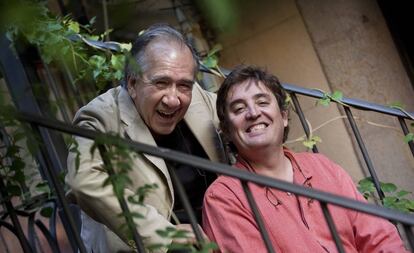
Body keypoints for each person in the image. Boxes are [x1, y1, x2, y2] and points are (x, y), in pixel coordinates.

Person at [202, 65, 409, 253]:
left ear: (283, 116)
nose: (253, 113)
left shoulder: (322, 167)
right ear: (227, 131)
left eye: (262, 102)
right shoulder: (224, 197)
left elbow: (379, 237)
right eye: (239, 109)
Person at [66, 24, 226, 253]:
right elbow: (83, 181)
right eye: (161, 83)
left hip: (212, 236)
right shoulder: (99, 116)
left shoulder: (198, 97)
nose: (173, 99)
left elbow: (239, 121)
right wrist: (162, 234)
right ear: (132, 83)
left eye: (183, 85)